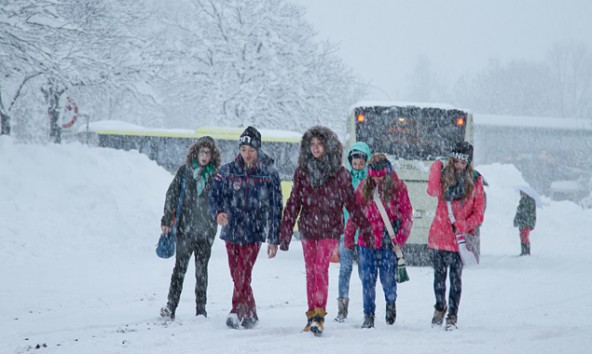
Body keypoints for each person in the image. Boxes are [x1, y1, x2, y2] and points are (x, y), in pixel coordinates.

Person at [279, 126, 372, 336]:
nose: (315, 148)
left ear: (327, 146)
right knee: (310, 272)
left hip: (330, 229)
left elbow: (352, 204)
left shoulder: (340, 174)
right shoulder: (302, 172)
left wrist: (365, 227)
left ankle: (319, 316)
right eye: (311, 145)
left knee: (321, 269)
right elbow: (294, 202)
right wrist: (285, 232)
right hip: (308, 228)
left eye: (319, 144)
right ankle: (311, 315)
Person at [208, 126, 283, 330]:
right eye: (243, 150)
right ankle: (251, 312)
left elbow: (276, 207)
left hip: (254, 232)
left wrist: (274, 238)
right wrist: (218, 213)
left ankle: (236, 310)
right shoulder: (226, 171)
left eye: (251, 150)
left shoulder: (269, 173)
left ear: (258, 149)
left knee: (242, 272)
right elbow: (213, 196)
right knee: (237, 274)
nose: (247, 154)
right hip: (231, 231)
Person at [344, 153, 413, 328]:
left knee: (388, 278)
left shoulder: (398, 187)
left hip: (388, 242)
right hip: (366, 242)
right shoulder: (364, 187)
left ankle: (390, 302)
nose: (378, 179)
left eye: (381, 175)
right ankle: (369, 315)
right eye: (374, 175)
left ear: (387, 172)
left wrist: (399, 239)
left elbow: (406, 216)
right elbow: (355, 214)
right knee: (367, 279)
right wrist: (349, 236)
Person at [160, 136, 221, 320]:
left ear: (212, 156)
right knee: (179, 269)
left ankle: (200, 310)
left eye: (208, 153)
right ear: (195, 153)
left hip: (205, 232)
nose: (204, 156)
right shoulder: (185, 172)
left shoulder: (216, 176)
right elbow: (172, 195)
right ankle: (171, 306)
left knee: (202, 271)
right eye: (201, 152)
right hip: (185, 230)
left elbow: (221, 200)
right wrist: (166, 220)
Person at [426, 141, 485, 330]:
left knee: (455, 279)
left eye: (462, 162)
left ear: (468, 162)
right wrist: (435, 168)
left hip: (459, 239)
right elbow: (432, 191)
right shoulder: (443, 175)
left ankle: (452, 315)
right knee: (438, 279)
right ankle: (439, 307)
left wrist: (464, 225)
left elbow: (479, 212)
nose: (458, 165)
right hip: (440, 235)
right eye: (456, 160)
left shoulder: (475, 181)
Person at [334, 141, 372, 322]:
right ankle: (342, 308)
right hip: (345, 234)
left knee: (365, 272)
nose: (357, 166)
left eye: (361, 163)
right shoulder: (344, 179)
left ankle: (368, 308)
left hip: (364, 235)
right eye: (354, 162)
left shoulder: (370, 181)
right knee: (344, 270)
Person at [513, 191, 536, 256]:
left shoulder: (530, 201)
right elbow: (519, 212)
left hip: (527, 222)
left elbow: (530, 213)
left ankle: (526, 251)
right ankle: (523, 251)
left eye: (522, 193)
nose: (521, 194)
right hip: (522, 222)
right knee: (522, 236)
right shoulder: (522, 201)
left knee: (525, 236)